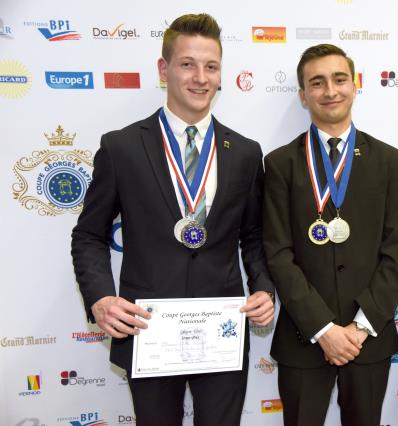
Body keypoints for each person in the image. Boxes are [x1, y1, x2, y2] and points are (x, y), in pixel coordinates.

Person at [70, 13, 274, 426]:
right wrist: (100, 298)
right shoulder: (121, 147)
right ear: (164, 70)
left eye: (211, 66)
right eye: (187, 64)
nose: (200, 77)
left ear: (221, 74)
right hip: (148, 331)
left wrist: (265, 288)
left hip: (222, 330)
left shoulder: (246, 152)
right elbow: (89, 236)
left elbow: (253, 236)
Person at [263, 43, 398, 426]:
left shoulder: (390, 161)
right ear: (303, 95)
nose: (330, 90)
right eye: (317, 82)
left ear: (355, 85)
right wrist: (324, 329)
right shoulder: (280, 163)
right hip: (304, 336)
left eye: (339, 79)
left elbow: (397, 252)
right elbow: (278, 253)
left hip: (369, 338)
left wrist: (359, 328)